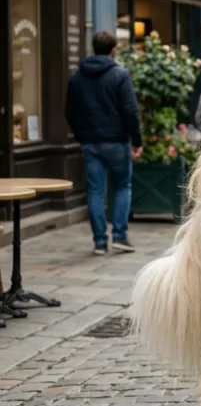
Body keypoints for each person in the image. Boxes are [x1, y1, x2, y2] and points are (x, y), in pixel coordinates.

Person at [64, 31, 143, 255]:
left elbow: (70, 111)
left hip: (90, 142)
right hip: (117, 141)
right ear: (113, 50)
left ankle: (99, 241)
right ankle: (119, 235)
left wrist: (81, 136)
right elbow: (130, 110)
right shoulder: (120, 74)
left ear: (93, 48)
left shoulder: (77, 76)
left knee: (95, 191)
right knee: (122, 186)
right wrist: (136, 140)